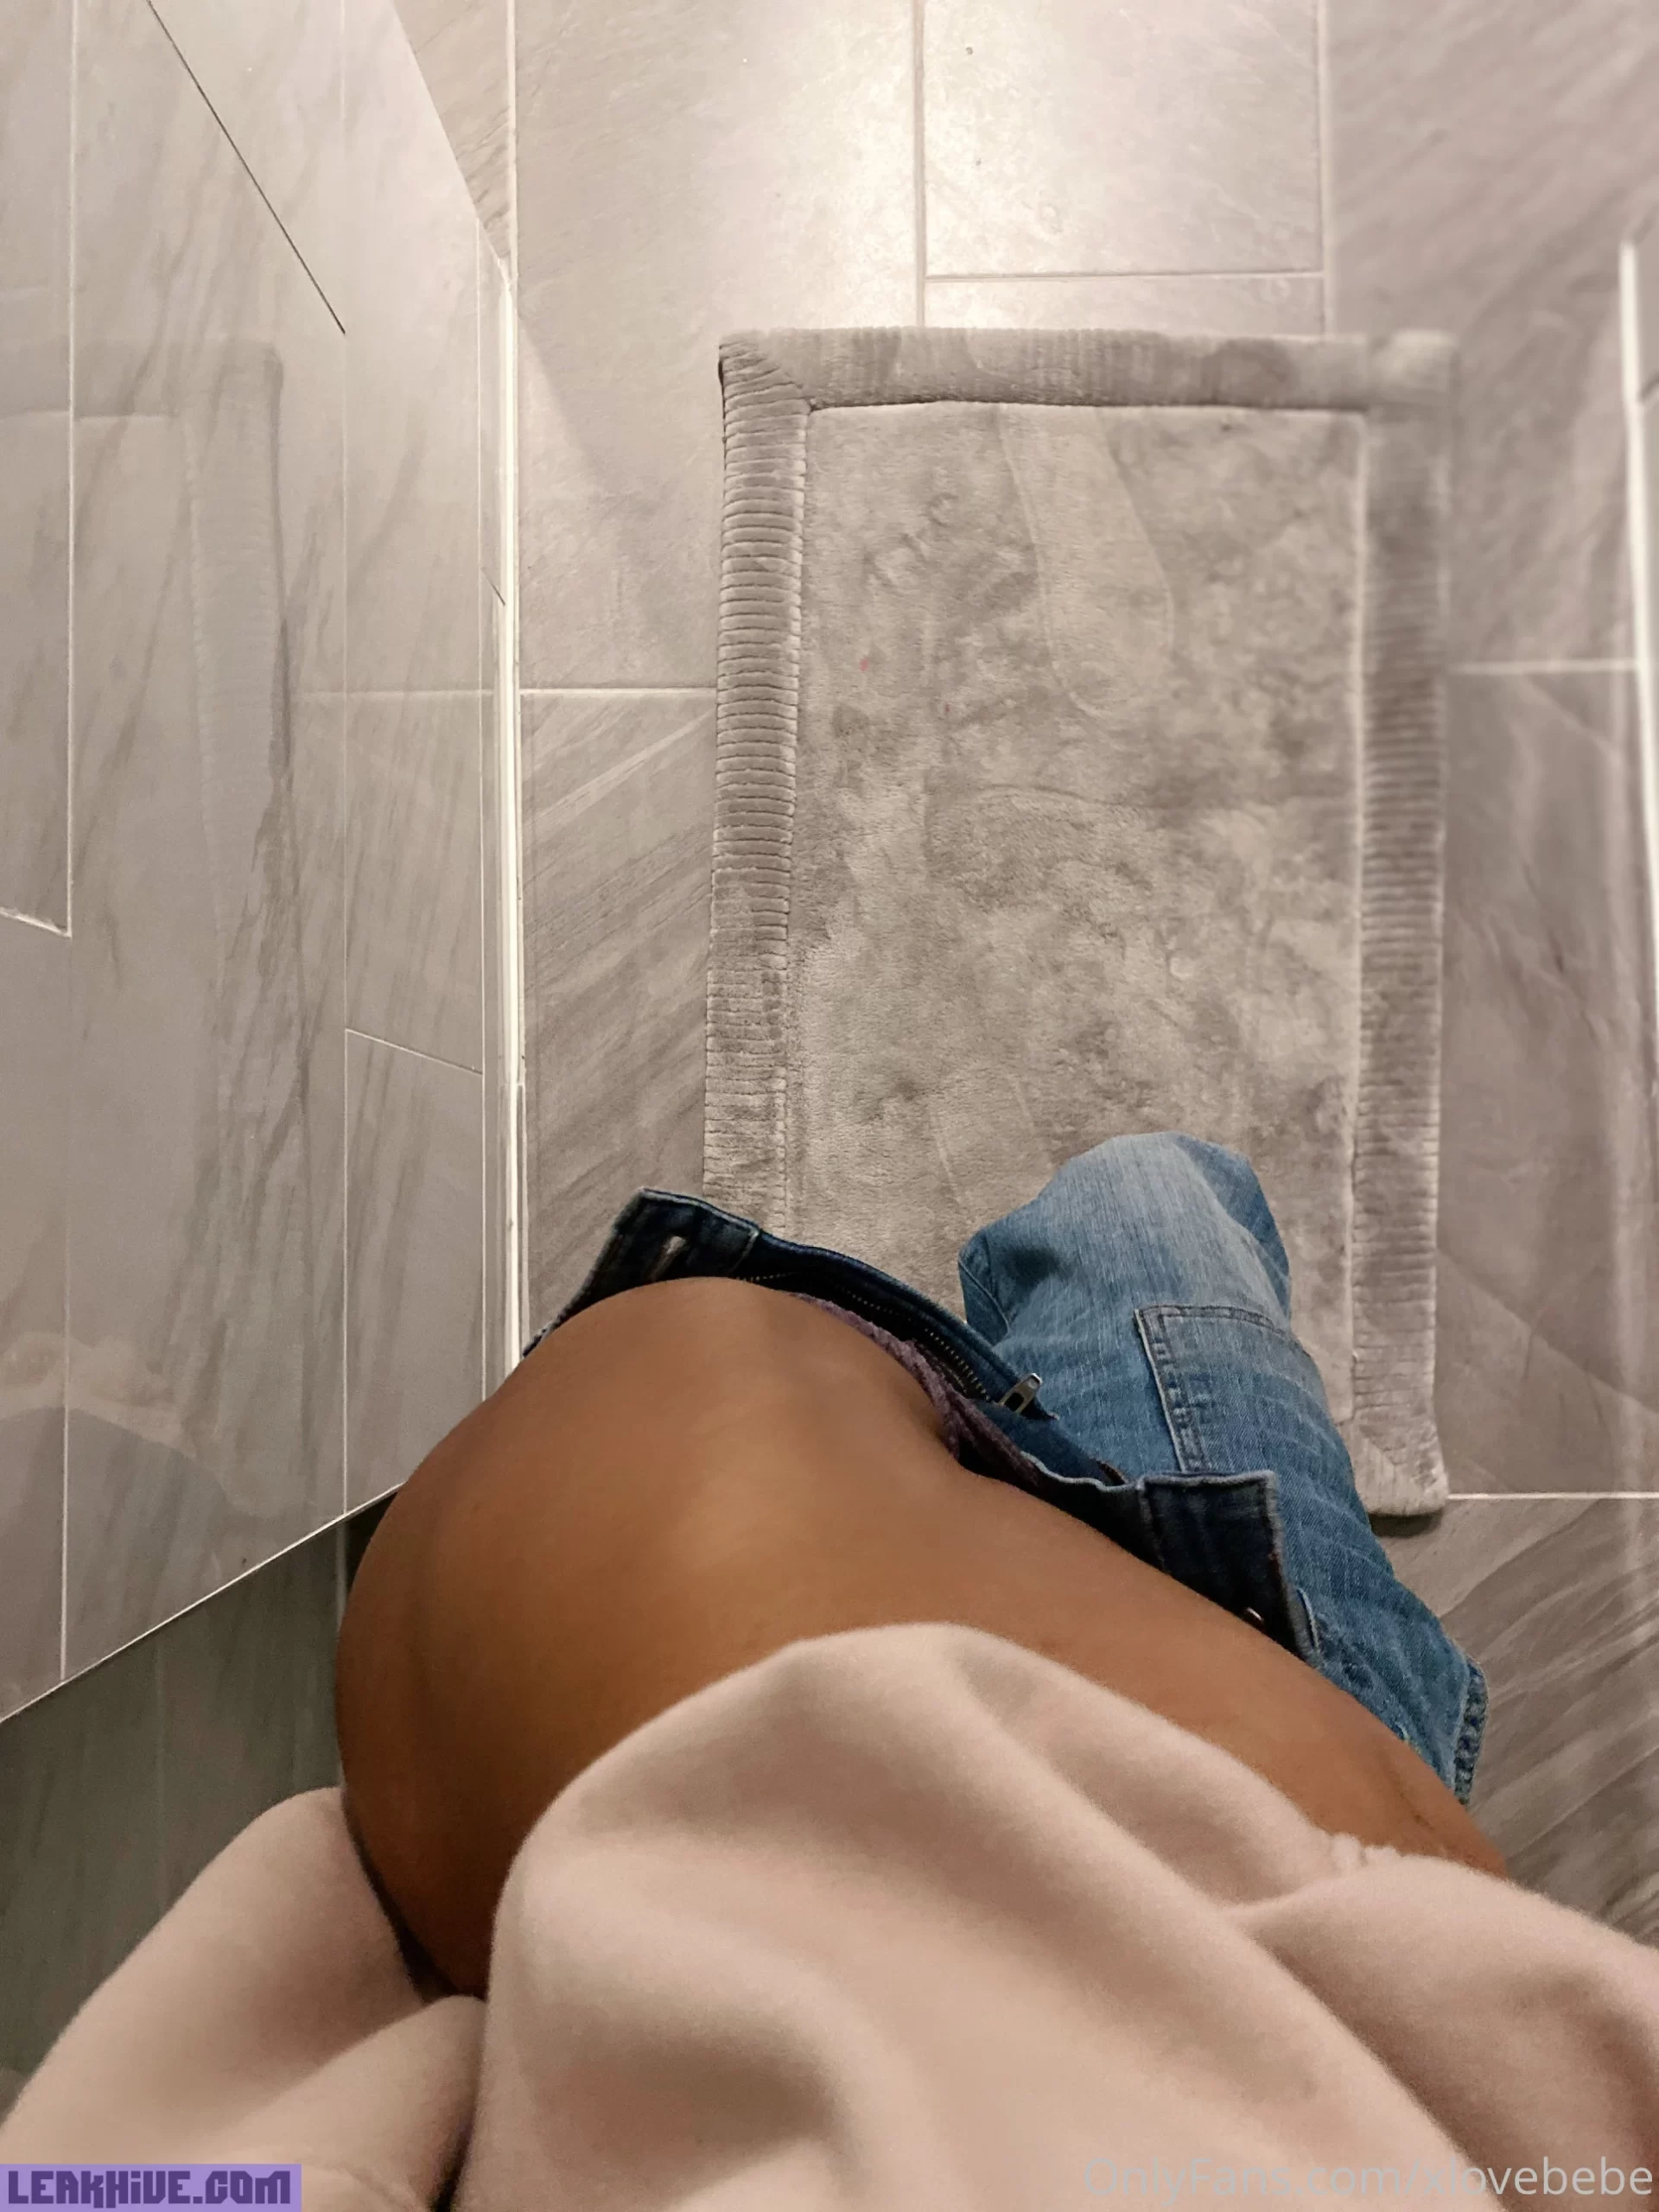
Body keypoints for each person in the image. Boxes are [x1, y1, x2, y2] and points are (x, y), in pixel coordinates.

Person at [335, 1133, 1503, 1998]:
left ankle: (1007, 1451)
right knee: (1144, 1194)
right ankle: (1012, 1459)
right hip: (1268, 1680)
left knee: (1137, 1197)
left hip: (1176, 1699)